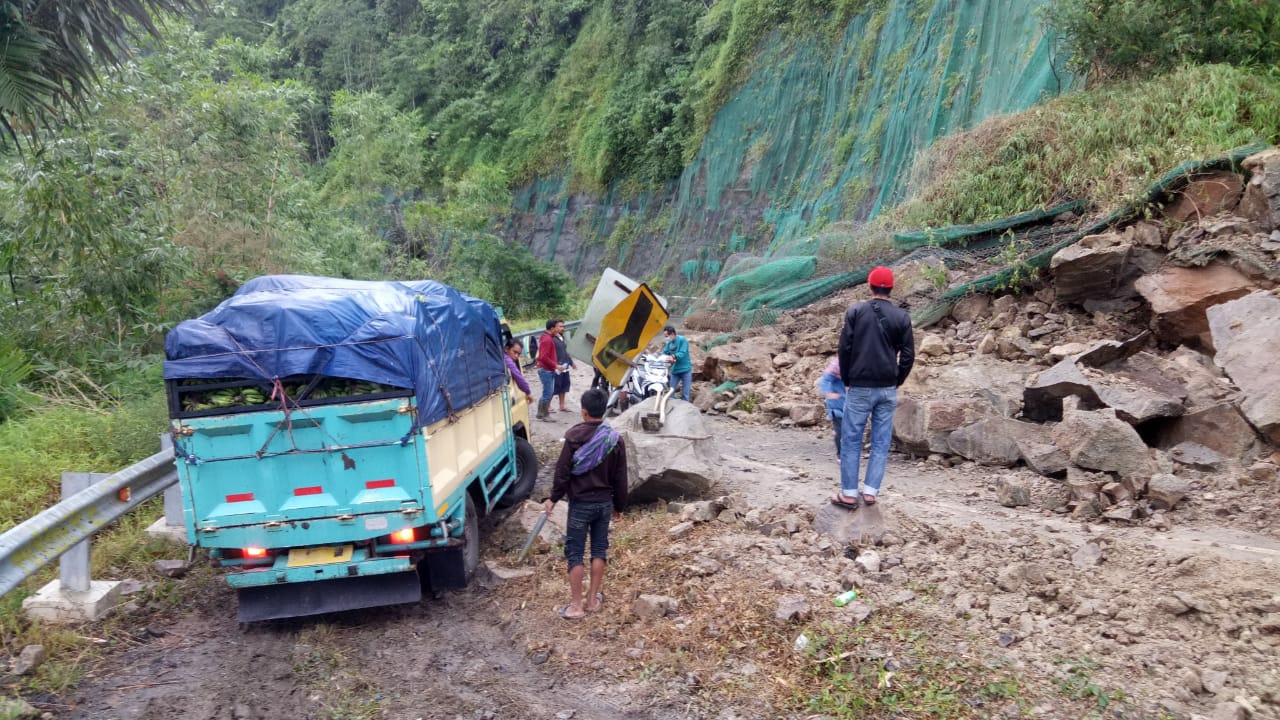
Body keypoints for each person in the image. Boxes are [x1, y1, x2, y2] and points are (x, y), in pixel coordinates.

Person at [832, 265, 914, 510]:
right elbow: (909, 354)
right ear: (891, 288)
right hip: (887, 387)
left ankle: (848, 493)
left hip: (860, 385)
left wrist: (847, 379)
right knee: (880, 441)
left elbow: (844, 349)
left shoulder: (856, 311)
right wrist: (897, 379)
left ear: (870, 286)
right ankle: (870, 492)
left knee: (851, 439)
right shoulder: (902, 317)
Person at [545, 388, 628, 620]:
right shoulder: (614, 439)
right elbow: (621, 477)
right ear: (604, 410)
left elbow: (562, 472)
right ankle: (592, 600)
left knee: (575, 553)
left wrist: (553, 497)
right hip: (603, 504)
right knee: (599, 550)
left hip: (580, 504)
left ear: (583, 412)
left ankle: (576, 605)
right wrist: (619, 506)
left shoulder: (573, 437)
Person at [535, 319, 565, 419]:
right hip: (545, 370)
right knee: (548, 392)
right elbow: (543, 357)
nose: (559, 329)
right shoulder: (547, 340)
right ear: (552, 328)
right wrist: (556, 365)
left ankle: (541, 413)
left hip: (547, 369)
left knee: (548, 391)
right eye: (557, 327)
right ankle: (544, 414)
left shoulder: (547, 337)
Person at [815, 356, 844, 462]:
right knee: (841, 431)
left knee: (851, 431)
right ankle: (840, 455)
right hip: (837, 405)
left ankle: (848, 454)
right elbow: (825, 380)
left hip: (850, 404)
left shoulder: (856, 364)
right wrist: (829, 394)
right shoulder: (837, 366)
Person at [661, 325, 693, 401]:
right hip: (675, 370)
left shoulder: (682, 340)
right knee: (671, 393)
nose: (666, 338)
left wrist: (673, 356)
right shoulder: (669, 343)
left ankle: (685, 408)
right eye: (665, 336)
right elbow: (665, 353)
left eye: (667, 336)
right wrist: (664, 358)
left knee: (685, 393)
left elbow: (682, 352)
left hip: (685, 370)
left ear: (672, 334)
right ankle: (672, 407)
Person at [552, 320, 576, 412]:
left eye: (563, 326)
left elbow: (566, 352)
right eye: (560, 326)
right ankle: (548, 406)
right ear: (554, 327)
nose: (562, 328)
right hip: (557, 367)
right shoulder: (552, 339)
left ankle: (562, 405)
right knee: (554, 387)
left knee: (564, 386)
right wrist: (555, 365)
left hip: (565, 366)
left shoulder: (562, 338)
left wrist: (571, 362)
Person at [504, 339, 533, 405]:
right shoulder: (507, 359)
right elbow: (518, 376)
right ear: (506, 349)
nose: (516, 356)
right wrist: (528, 392)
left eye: (519, 354)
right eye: (515, 352)